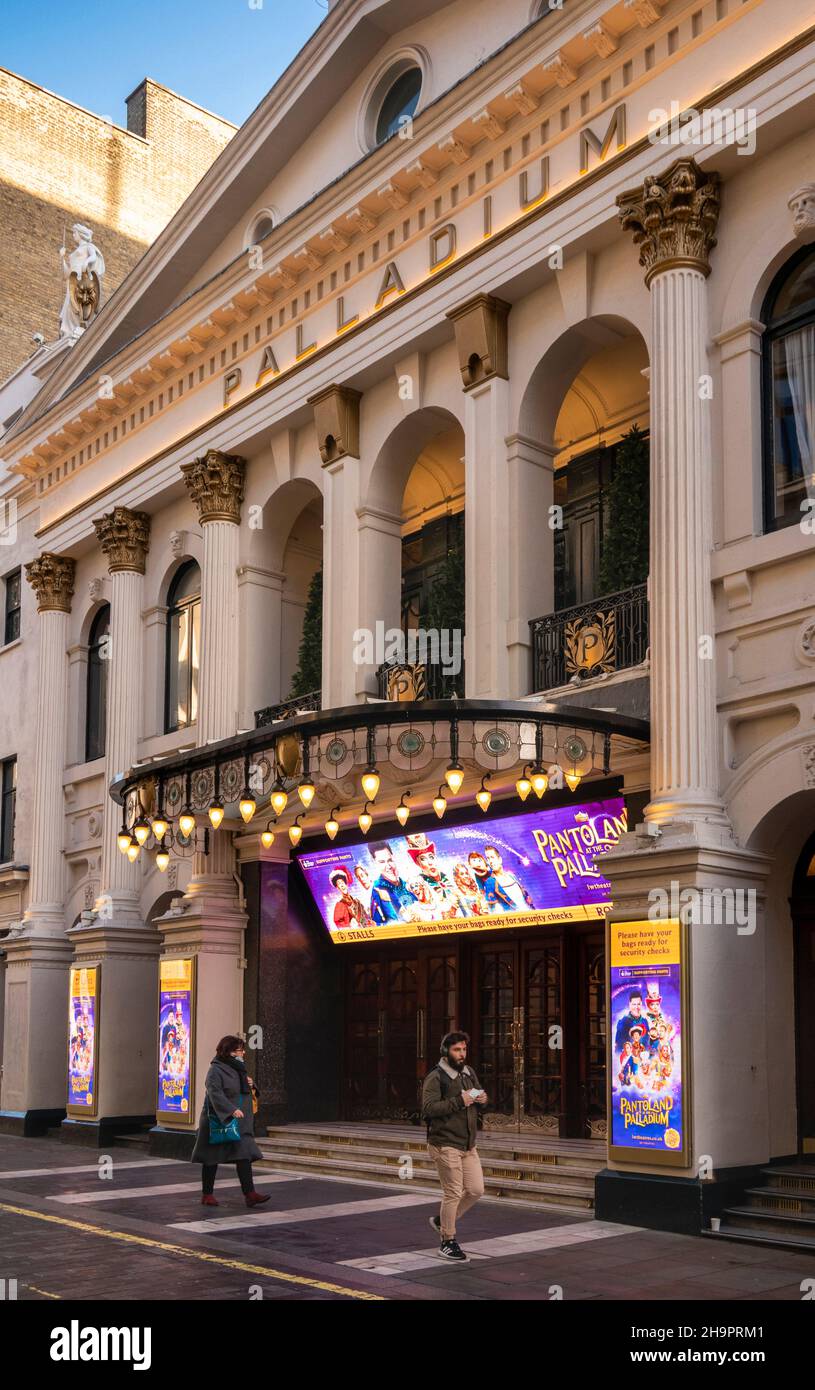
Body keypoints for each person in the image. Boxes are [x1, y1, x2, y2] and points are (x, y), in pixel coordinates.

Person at [421, 1031, 487, 1263]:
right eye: (457, 1050)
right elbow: (428, 1109)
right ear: (445, 1052)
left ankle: (441, 1221)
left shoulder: (469, 1073)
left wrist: (481, 1097)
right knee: (453, 1192)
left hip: (468, 1144)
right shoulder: (436, 1077)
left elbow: (478, 1092)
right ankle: (447, 1241)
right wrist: (460, 1101)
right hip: (444, 1143)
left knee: (476, 1190)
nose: (461, 1054)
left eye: (464, 1049)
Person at [191, 1035, 269, 1209]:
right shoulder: (216, 1070)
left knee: (244, 1155)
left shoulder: (239, 1068)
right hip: (217, 1122)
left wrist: (252, 1084)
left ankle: (250, 1194)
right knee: (211, 1158)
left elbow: (243, 1091)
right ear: (230, 1052)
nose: (243, 1053)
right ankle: (207, 1194)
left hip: (239, 1122)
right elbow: (214, 1092)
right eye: (240, 1049)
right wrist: (230, 1110)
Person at [368, 842, 415, 924]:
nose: (389, 866)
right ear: (375, 863)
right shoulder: (378, 890)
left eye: (390, 860)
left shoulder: (405, 884)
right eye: (382, 862)